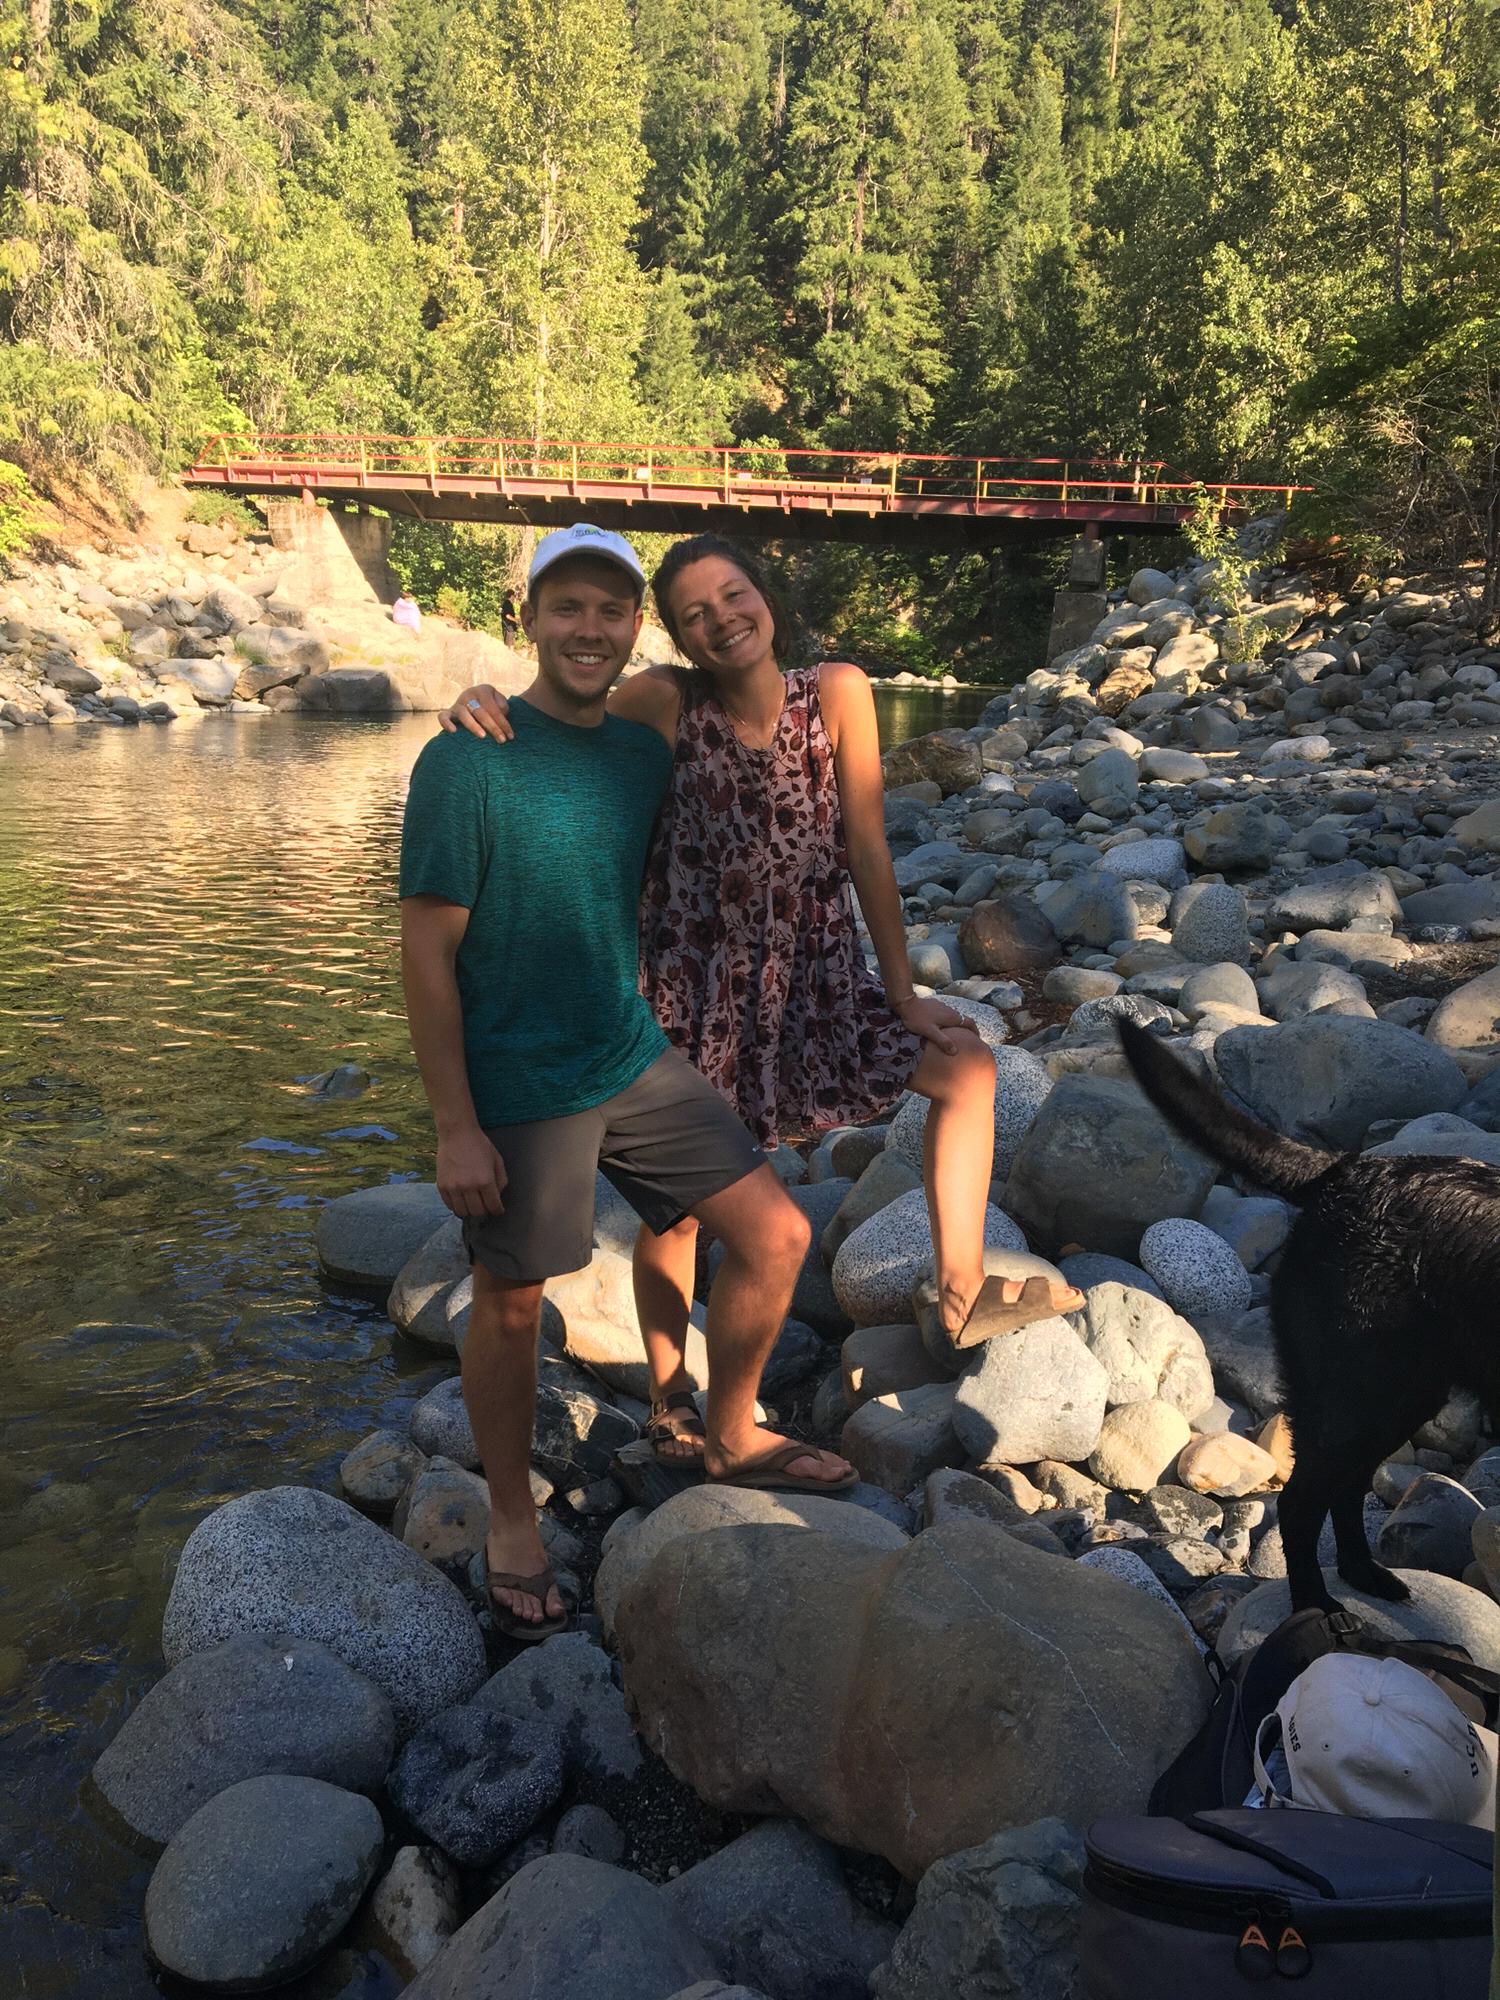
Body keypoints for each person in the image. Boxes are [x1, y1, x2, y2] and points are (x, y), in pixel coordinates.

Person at [441, 532, 1081, 1470]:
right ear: (677, 635)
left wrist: (900, 994)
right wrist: (478, 703)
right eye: (695, 614)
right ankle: (672, 1395)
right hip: (691, 987)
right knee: (683, 1215)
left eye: (733, 595)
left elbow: (866, 845)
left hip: (814, 979)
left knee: (967, 1069)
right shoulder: (662, 701)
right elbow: (559, 724)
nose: (721, 620)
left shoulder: (839, 693)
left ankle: (960, 1289)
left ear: (765, 597)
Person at [401, 524, 853, 1643]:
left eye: (611, 608)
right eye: (568, 608)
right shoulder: (468, 757)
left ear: (634, 628)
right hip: (522, 1071)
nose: (589, 628)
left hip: (629, 1046)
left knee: (777, 1235)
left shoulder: (646, 748)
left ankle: (731, 1426)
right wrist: (457, 1124)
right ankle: (512, 1516)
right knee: (511, 1297)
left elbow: (758, 735)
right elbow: (424, 952)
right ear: (531, 622)